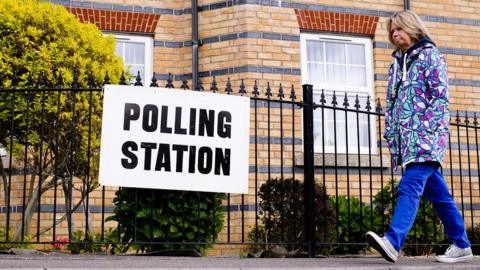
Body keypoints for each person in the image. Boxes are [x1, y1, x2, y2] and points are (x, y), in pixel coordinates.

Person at [365, 10, 472, 263]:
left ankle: (393, 241)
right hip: (406, 140)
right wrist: (391, 133)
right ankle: (462, 244)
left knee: (410, 185)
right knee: (439, 196)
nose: (394, 33)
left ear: (412, 29)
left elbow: (440, 98)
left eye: (399, 29)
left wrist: (427, 129)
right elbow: (391, 103)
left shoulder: (430, 56)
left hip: (426, 138)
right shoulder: (395, 65)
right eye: (392, 31)